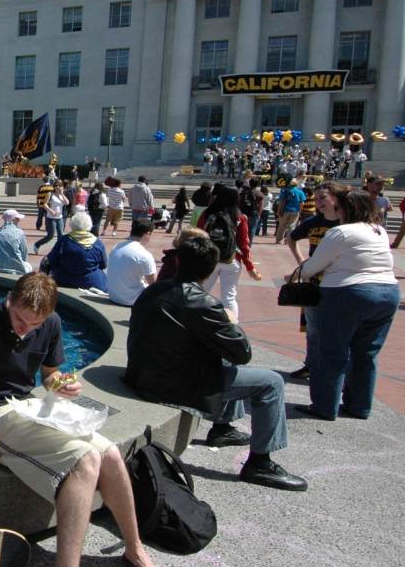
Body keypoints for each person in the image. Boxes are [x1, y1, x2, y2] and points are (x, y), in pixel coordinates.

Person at [0, 273, 167, 567]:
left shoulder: (50, 323)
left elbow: (50, 374)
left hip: (29, 406)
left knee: (110, 455)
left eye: (34, 325)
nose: (25, 330)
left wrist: (62, 385)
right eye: (19, 320)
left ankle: (135, 550)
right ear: (9, 300)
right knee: (87, 459)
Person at [127, 237, 307, 491]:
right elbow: (242, 354)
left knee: (220, 355)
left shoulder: (154, 291)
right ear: (212, 269)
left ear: (178, 261)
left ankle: (222, 428)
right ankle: (260, 463)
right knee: (271, 383)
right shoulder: (204, 303)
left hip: (146, 374)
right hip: (176, 384)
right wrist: (231, 321)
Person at [298, 189, 400, 420]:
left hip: (346, 292)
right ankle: (359, 406)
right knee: (366, 353)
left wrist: (299, 274)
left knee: (331, 352)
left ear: (344, 209)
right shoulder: (379, 230)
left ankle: (324, 406)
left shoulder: (340, 232)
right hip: (387, 291)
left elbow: (314, 265)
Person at [285, 182, 344, 382]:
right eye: (316, 198)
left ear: (335, 198)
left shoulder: (345, 224)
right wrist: (302, 263)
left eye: (323, 198)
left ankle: (334, 368)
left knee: (335, 327)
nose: (318, 202)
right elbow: (291, 238)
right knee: (312, 327)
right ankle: (311, 364)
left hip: (337, 282)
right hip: (314, 281)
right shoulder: (313, 222)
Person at [199, 184, 262, 322]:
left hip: (210, 258)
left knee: (200, 292)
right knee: (229, 296)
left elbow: (198, 235)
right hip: (231, 259)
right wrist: (250, 266)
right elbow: (244, 244)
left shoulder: (208, 214)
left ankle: (198, 321)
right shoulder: (240, 217)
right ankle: (233, 325)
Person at [44, 211, 107, 291]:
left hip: (64, 281)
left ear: (72, 224)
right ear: (89, 224)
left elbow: (52, 260)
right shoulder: (97, 243)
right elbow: (103, 265)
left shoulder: (64, 240)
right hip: (92, 283)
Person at [0, 209, 30, 275]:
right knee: (28, 266)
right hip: (15, 269)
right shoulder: (19, 232)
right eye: (17, 219)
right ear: (12, 220)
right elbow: (24, 253)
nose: (19, 220)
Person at [33, 182, 68, 254]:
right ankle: (37, 244)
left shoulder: (62, 195)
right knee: (50, 236)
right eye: (56, 185)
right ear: (54, 187)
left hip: (59, 218)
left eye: (60, 185)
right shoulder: (50, 194)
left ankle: (59, 250)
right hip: (50, 218)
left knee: (61, 235)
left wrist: (62, 194)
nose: (58, 187)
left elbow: (67, 203)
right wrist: (51, 211)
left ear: (62, 187)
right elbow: (44, 204)